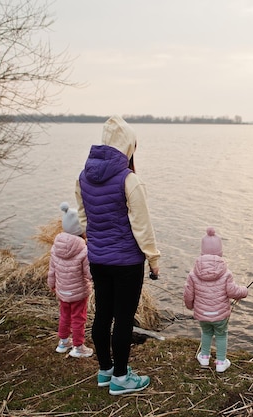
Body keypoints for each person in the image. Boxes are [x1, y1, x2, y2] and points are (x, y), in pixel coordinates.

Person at [75, 115, 161, 395]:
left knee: (102, 315)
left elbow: (84, 220)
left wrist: (96, 245)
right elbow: (142, 227)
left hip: (98, 259)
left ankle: (105, 370)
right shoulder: (128, 179)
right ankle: (122, 378)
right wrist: (154, 260)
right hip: (126, 262)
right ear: (128, 145)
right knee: (123, 319)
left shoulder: (83, 177)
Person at [183, 227, 248, 373]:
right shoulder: (225, 272)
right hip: (220, 314)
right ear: (220, 252)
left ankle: (204, 357)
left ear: (202, 252)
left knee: (206, 333)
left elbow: (188, 294)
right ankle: (220, 362)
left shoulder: (193, 273)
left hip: (203, 314)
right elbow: (232, 291)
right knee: (221, 335)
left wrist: (189, 306)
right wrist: (244, 291)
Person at [47, 202, 94, 358]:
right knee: (78, 318)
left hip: (62, 290)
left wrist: (51, 284)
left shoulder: (56, 246)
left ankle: (63, 342)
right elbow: (89, 274)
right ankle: (78, 346)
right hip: (79, 292)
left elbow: (52, 269)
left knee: (64, 315)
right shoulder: (83, 249)